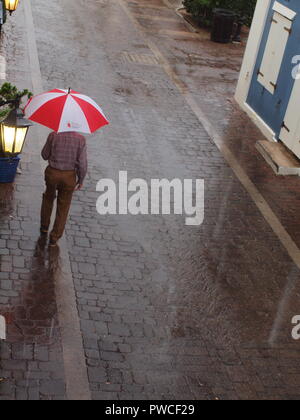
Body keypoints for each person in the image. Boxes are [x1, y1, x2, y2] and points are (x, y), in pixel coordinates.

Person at [40, 131, 87, 247]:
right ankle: (54, 237)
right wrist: (81, 180)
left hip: (52, 173)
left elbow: (44, 155)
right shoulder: (81, 139)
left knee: (48, 198)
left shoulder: (53, 135)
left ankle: (44, 226)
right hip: (69, 176)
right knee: (64, 206)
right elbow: (82, 164)